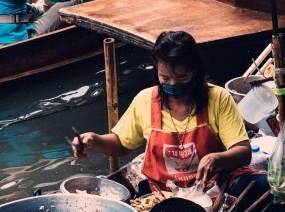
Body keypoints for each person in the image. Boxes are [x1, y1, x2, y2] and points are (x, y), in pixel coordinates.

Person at [73, 31, 268, 200]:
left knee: (262, 185)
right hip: (162, 192)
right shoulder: (145, 100)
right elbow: (121, 144)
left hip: (213, 187)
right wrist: (94, 140)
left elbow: (243, 151)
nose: (173, 84)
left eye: (181, 78)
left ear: (195, 71)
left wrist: (218, 158)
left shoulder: (218, 98)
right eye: (165, 78)